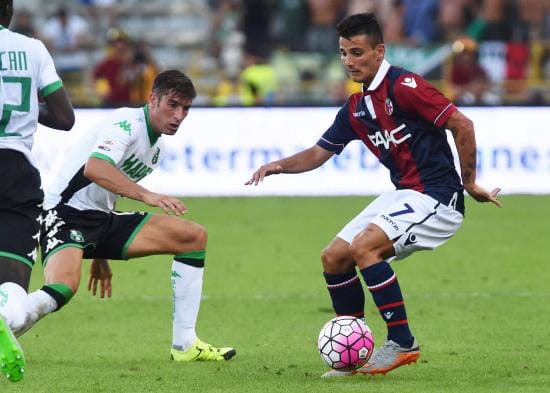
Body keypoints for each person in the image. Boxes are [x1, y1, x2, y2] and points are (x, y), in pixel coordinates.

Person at [245, 13, 501, 377]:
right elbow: (318, 153)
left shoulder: (406, 86)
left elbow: (462, 123)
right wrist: (278, 166)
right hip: (406, 195)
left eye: (357, 52)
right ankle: (353, 351)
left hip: (439, 198)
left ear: (379, 52)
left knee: (364, 247)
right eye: (344, 53)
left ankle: (402, 342)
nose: (349, 61)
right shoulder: (356, 108)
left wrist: (469, 181)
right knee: (334, 256)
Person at [19, 70, 236, 364]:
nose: (178, 115)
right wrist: (149, 196)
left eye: (185, 109)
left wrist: (99, 255)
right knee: (62, 288)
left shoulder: (156, 150)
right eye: (172, 104)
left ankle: (185, 345)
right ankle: (7, 321)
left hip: (101, 220)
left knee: (192, 237)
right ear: (153, 100)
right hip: (64, 213)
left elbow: (108, 190)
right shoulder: (126, 123)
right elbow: (95, 168)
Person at [0, 0, 75, 383]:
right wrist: (30, 110)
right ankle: (2, 321)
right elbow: (65, 118)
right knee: (12, 286)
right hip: (16, 170)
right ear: (8, 8)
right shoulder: (32, 49)